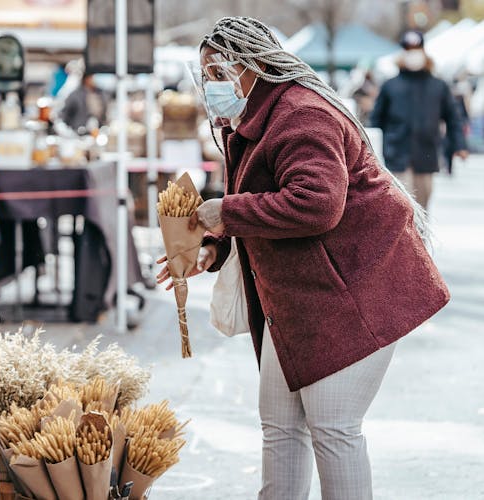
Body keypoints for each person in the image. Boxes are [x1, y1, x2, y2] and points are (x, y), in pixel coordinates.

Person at [156, 17, 449, 500]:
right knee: (280, 425)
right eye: (206, 74)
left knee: (334, 429)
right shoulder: (254, 118)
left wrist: (225, 212)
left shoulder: (300, 114)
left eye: (216, 73)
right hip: (300, 302)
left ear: (250, 67)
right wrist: (213, 248)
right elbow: (263, 200)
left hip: (353, 295)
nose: (210, 87)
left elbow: (316, 203)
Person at [370, 30, 468, 209]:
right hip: (397, 156)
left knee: (422, 207)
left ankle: (420, 237)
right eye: (408, 49)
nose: (412, 53)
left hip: (426, 155)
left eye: (416, 48)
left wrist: (459, 145)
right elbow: (376, 121)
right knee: (402, 207)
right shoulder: (390, 86)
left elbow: (453, 118)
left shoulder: (438, 86)